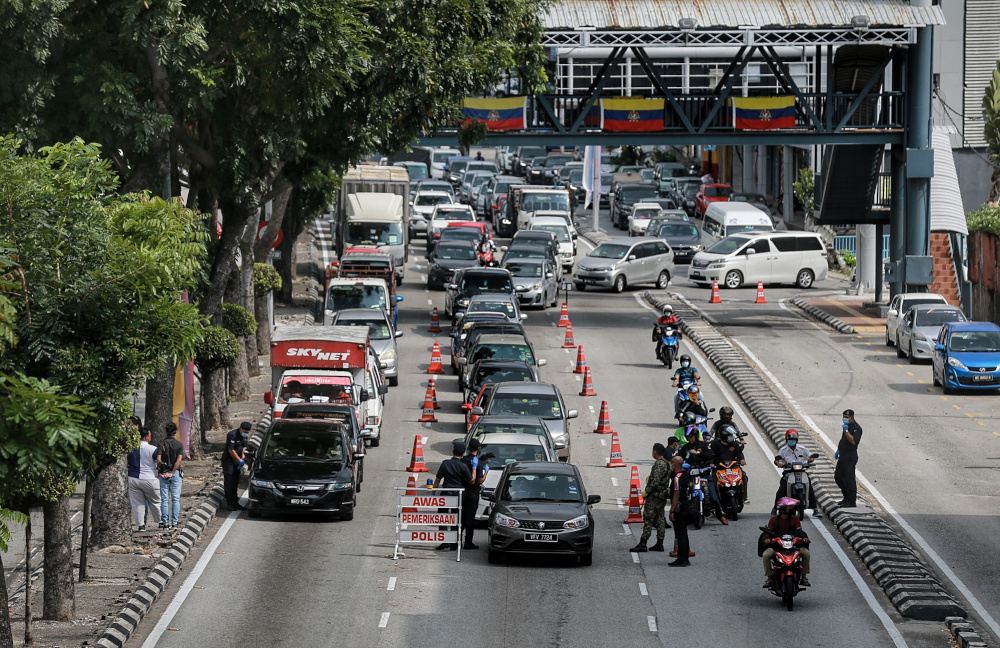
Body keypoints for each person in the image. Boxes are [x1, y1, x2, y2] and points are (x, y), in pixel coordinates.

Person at [630, 443, 671, 552]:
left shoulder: (659, 464)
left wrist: (646, 492)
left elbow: (655, 481)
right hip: (662, 494)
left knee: (648, 518)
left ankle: (643, 543)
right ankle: (660, 542)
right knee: (660, 518)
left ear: (655, 452)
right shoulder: (667, 463)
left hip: (655, 495)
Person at [680, 426, 726, 524]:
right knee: (682, 494)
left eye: (691, 436)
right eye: (688, 437)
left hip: (704, 474)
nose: (689, 438)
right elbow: (679, 457)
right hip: (690, 475)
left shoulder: (704, 445)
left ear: (696, 436)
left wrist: (698, 454)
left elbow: (710, 455)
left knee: (713, 497)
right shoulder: (685, 447)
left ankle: (720, 515)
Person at [433, 441, 474, 550]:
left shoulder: (445, 463)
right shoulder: (463, 466)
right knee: (456, 519)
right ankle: (455, 542)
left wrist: (433, 492)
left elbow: (437, 479)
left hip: (445, 493)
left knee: (443, 517)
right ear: (463, 453)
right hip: (457, 494)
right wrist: (474, 469)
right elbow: (471, 481)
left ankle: (444, 541)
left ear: (453, 452)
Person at [762, 497, 811, 588]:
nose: (791, 510)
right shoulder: (773, 520)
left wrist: (804, 538)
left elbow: (799, 531)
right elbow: (768, 533)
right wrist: (767, 539)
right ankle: (770, 578)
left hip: (793, 546)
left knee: (806, 553)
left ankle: (804, 577)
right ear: (782, 508)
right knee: (766, 555)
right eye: (789, 508)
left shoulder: (795, 519)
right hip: (777, 546)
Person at [773, 429, 821, 517]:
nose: (792, 442)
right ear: (787, 440)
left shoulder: (802, 449)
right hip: (789, 471)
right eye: (790, 440)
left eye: (794, 440)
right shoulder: (783, 450)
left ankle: (815, 509)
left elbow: (809, 456)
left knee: (809, 486)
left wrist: (810, 459)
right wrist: (779, 464)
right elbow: (776, 460)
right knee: (782, 489)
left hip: (801, 471)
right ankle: (775, 508)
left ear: (797, 440)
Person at [710, 416, 750, 504]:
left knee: (743, 476)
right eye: (729, 435)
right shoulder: (715, 444)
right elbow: (711, 455)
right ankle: (713, 501)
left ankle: (744, 497)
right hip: (719, 467)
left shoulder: (734, 443)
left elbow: (739, 453)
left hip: (732, 466)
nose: (731, 437)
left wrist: (742, 460)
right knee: (712, 480)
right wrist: (712, 463)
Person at [130, 427, 161, 532]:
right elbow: (159, 459)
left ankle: (141, 525)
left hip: (133, 478)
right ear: (146, 437)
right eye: (149, 435)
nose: (150, 437)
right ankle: (160, 521)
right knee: (155, 501)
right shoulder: (152, 449)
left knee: (138, 503)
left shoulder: (131, 448)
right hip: (149, 478)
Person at [460, 439, 489, 550]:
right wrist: (486, 472)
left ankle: (457, 540)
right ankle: (468, 541)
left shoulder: (462, 461)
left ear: (468, 448)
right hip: (473, 493)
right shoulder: (478, 463)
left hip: (462, 491)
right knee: (470, 518)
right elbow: (480, 481)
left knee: (461, 517)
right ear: (479, 448)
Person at [668, 455, 694, 566]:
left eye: (671, 463)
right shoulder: (686, 475)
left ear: (674, 465)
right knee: (684, 533)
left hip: (680, 508)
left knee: (680, 534)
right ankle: (685, 557)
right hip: (687, 506)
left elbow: (676, 495)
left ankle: (682, 559)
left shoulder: (677, 477)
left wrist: (672, 511)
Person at [158, 422, 185, 529]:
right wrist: (173, 472)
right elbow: (179, 460)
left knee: (164, 499)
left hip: (164, 474)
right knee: (175, 499)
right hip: (175, 474)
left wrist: (161, 472)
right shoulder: (179, 445)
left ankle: (165, 523)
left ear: (166, 432)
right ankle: (174, 522)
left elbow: (158, 459)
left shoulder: (161, 444)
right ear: (175, 432)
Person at [835, 409, 862, 507]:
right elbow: (843, 440)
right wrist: (838, 449)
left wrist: (846, 431)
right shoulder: (845, 427)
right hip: (843, 455)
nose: (844, 419)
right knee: (838, 477)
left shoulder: (856, 428)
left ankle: (851, 501)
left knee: (849, 479)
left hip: (850, 456)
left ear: (852, 417)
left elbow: (853, 442)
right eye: (843, 417)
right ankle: (846, 497)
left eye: (846, 417)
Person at [222, 422, 250, 510]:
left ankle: (235, 502)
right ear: (240, 429)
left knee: (235, 481)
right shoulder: (232, 435)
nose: (246, 433)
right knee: (229, 481)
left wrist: (243, 457)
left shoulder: (244, 436)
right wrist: (239, 460)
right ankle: (230, 503)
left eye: (247, 432)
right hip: (229, 461)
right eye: (245, 431)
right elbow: (231, 450)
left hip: (238, 460)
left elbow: (244, 447)